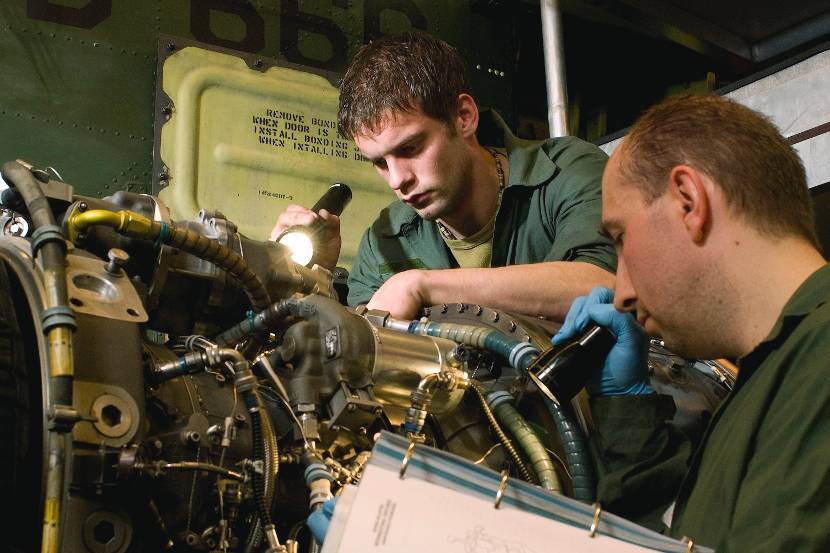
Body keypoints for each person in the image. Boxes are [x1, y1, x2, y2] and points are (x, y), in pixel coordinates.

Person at [554, 94, 829, 550]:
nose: (621, 293)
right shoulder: (777, 375)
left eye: (620, 238)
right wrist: (627, 407)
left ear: (688, 201)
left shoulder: (818, 362)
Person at [271, 32, 615, 321]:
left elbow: (601, 286)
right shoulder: (385, 239)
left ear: (464, 117)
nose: (396, 180)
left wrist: (422, 287)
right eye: (379, 162)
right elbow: (362, 350)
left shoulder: (567, 170)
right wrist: (315, 281)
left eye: (411, 149)